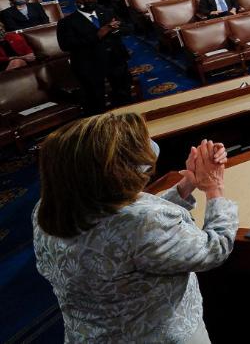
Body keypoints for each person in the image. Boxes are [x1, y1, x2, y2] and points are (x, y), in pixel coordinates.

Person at [34, 115, 235, 343]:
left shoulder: (50, 208)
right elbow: (214, 248)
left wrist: (188, 184)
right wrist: (214, 187)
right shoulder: (144, 223)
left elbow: (134, 219)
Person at [57, 0, 131, 112]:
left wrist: (114, 31)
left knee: (123, 92)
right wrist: (98, 35)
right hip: (90, 64)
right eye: (88, 2)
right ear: (79, 4)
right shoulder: (67, 22)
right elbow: (66, 45)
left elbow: (127, 28)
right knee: (96, 99)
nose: (93, 5)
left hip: (115, 59)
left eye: (94, 1)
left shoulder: (107, 12)